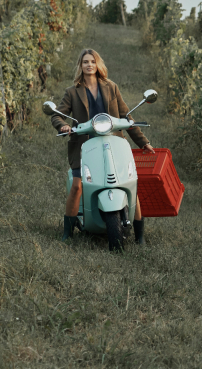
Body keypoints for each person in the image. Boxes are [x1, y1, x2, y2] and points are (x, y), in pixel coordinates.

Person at [49, 49, 154, 243]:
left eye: (92, 61)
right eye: (85, 62)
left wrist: (143, 142)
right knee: (77, 186)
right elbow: (57, 114)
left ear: (98, 65)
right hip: (84, 145)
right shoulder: (72, 92)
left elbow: (126, 116)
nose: (89, 65)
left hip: (113, 142)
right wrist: (62, 125)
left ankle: (140, 235)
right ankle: (67, 233)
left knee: (129, 184)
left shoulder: (111, 87)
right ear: (80, 66)